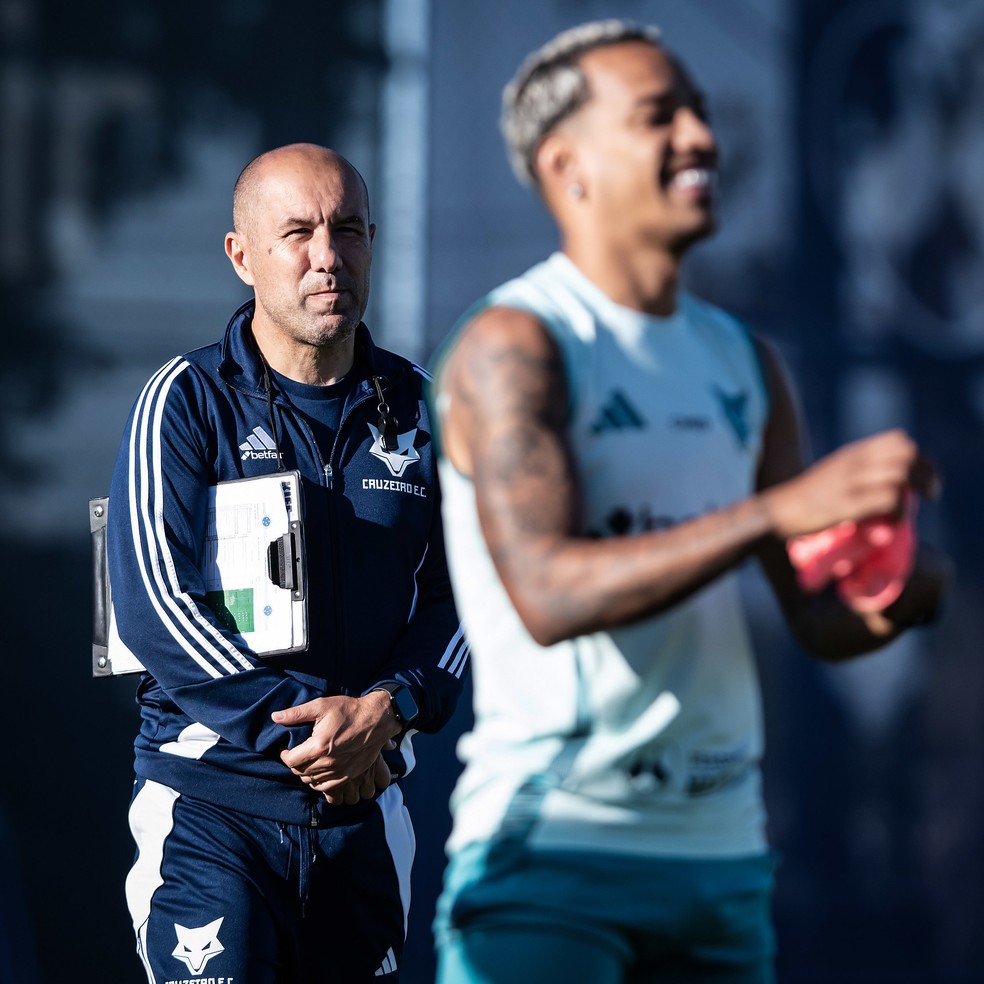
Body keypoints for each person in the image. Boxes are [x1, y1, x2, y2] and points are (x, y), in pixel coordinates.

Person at [430, 21, 949, 984]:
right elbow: (548, 594)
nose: (700, 139)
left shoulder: (743, 362)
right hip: (550, 858)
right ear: (567, 164)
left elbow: (818, 622)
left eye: (701, 113)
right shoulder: (515, 342)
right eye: (658, 117)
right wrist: (779, 510)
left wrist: (900, 592)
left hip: (721, 862)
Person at [108, 143, 467, 982]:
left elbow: (469, 598)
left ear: (372, 240)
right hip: (212, 810)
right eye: (296, 232)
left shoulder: (425, 407)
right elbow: (156, 605)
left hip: (366, 811)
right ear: (242, 256)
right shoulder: (185, 400)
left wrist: (392, 704)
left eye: (347, 229)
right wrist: (310, 730)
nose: (326, 256)